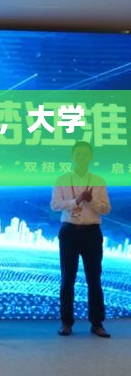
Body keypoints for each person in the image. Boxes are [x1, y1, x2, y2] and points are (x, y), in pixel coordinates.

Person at [51, 141, 111, 338]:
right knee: (67, 278)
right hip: (69, 231)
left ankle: (97, 323)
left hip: (92, 232)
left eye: (85, 154)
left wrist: (91, 201)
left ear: (91, 157)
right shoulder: (62, 179)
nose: (81, 157)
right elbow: (55, 205)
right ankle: (66, 323)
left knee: (94, 278)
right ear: (72, 156)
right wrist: (76, 201)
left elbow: (106, 209)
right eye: (78, 153)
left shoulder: (98, 180)